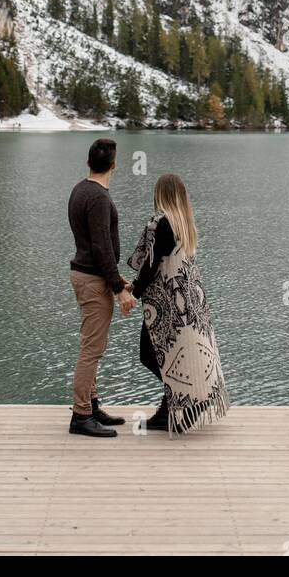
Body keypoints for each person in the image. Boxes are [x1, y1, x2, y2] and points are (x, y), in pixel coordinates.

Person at [128, 173, 229, 435]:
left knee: (150, 354)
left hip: (169, 304)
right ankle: (170, 408)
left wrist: (133, 293)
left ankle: (193, 399)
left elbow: (150, 265)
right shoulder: (183, 221)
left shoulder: (160, 222)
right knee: (169, 356)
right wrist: (133, 286)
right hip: (190, 300)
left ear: (160, 193)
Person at [67, 137, 136, 437]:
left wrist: (117, 281)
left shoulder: (79, 190)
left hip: (87, 276)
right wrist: (118, 287)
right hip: (93, 279)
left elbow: (97, 247)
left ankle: (91, 405)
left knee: (92, 344)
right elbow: (101, 247)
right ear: (114, 165)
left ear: (88, 163)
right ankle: (81, 416)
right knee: (91, 349)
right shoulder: (98, 197)